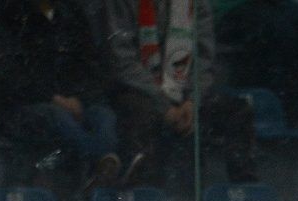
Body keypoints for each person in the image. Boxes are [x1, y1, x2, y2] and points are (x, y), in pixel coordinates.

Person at [104, 0, 257, 188]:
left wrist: (193, 100)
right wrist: (164, 106)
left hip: (185, 94)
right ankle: (146, 199)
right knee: (140, 116)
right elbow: (123, 61)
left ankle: (246, 197)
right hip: (140, 90)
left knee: (238, 111)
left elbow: (203, 58)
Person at [0, 0, 122, 188]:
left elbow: (90, 65)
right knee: (56, 117)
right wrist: (53, 98)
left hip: (71, 102)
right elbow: (8, 75)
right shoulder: (7, 12)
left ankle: (101, 169)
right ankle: (99, 164)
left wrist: (80, 98)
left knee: (104, 116)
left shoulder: (71, 11)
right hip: (17, 108)